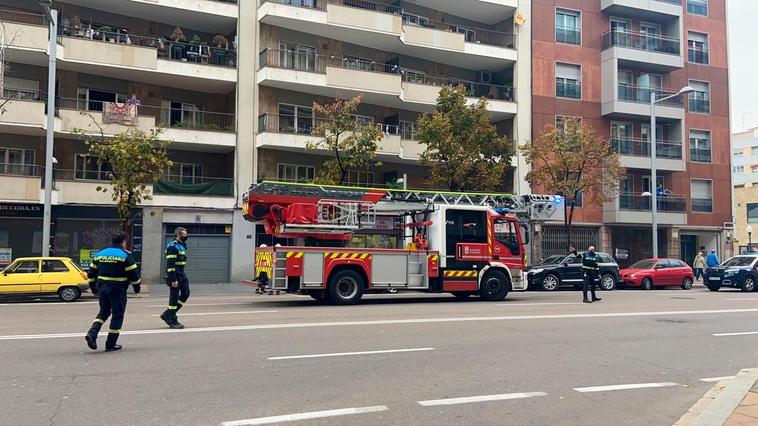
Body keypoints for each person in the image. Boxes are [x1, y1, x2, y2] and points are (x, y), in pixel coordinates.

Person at [85, 232, 141, 352]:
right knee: (117, 315)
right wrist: (137, 288)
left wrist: (94, 289)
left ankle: (92, 333)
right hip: (118, 289)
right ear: (123, 241)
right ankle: (110, 344)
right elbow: (134, 274)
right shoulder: (125, 255)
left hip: (102, 288)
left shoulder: (100, 253)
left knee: (103, 312)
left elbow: (91, 273)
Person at [160, 227, 190, 329]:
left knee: (186, 293)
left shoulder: (182, 245)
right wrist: (173, 279)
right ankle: (172, 320)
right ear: (178, 235)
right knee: (173, 299)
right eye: (184, 234)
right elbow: (170, 265)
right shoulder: (173, 247)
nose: (186, 236)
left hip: (181, 273)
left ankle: (167, 314)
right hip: (174, 275)